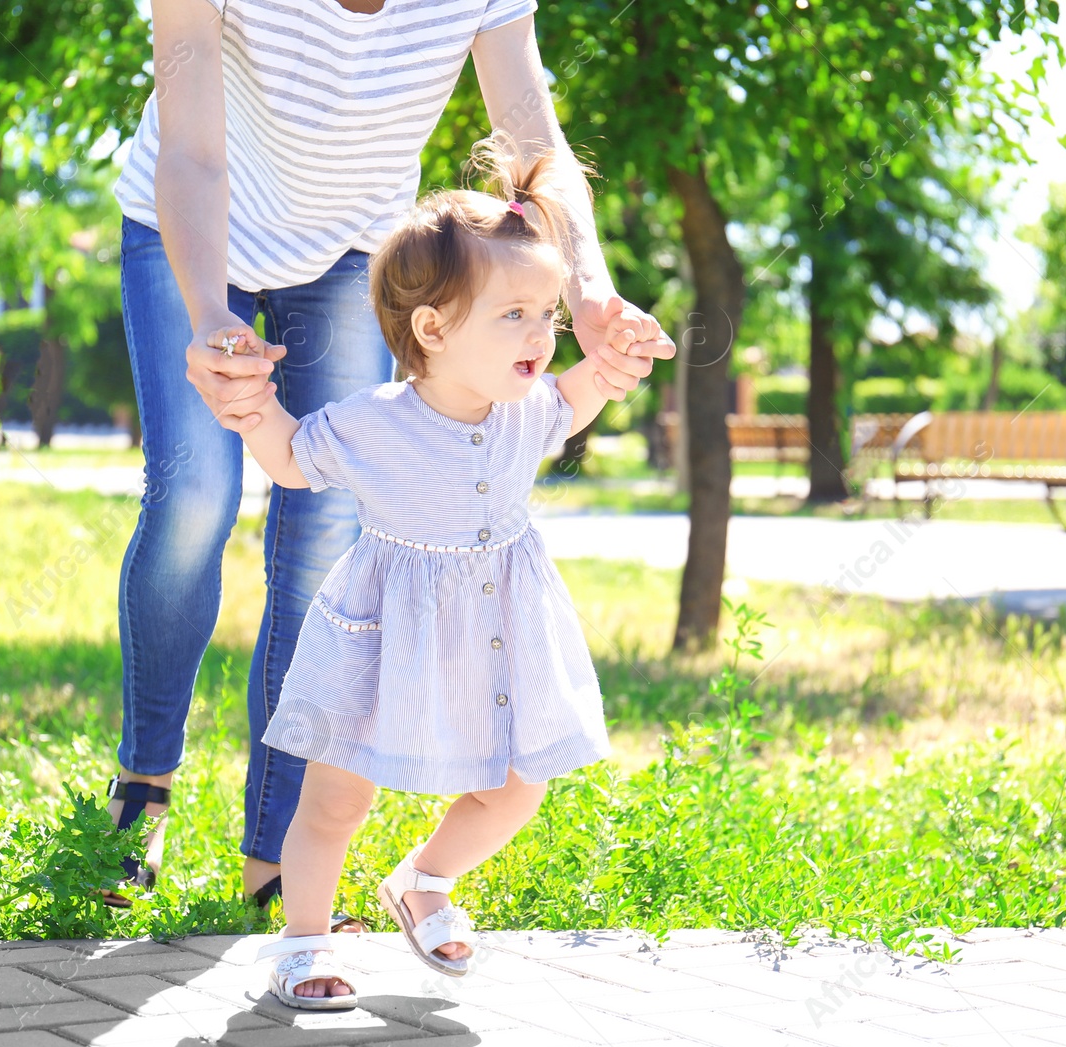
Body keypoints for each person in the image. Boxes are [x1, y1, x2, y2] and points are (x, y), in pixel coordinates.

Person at [102, 0, 675, 916]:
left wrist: (592, 292)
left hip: (349, 250)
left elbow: (535, 145)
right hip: (194, 221)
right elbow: (194, 150)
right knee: (195, 497)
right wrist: (213, 313)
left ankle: (278, 851)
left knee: (325, 530)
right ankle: (144, 784)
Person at [230, 139, 666, 1009]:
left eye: (547, 313)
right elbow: (288, 459)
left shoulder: (528, 406)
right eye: (517, 316)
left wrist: (618, 358)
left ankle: (423, 880)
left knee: (516, 788)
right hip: (382, 632)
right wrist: (250, 407)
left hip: (498, 630)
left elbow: (584, 390)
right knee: (333, 800)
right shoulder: (371, 423)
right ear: (432, 329)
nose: (544, 335)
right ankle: (304, 940)